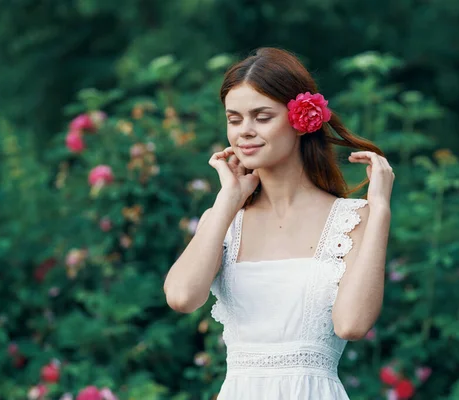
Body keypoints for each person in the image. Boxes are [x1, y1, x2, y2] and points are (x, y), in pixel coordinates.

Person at [163, 47, 394, 400]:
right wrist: (227, 199)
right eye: (234, 118)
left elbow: (352, 324)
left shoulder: (352, 220)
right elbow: (181, 297)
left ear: (301, 120)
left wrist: (379, 209)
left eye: (262, 116)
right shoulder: (223, 219)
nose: (245, 132)